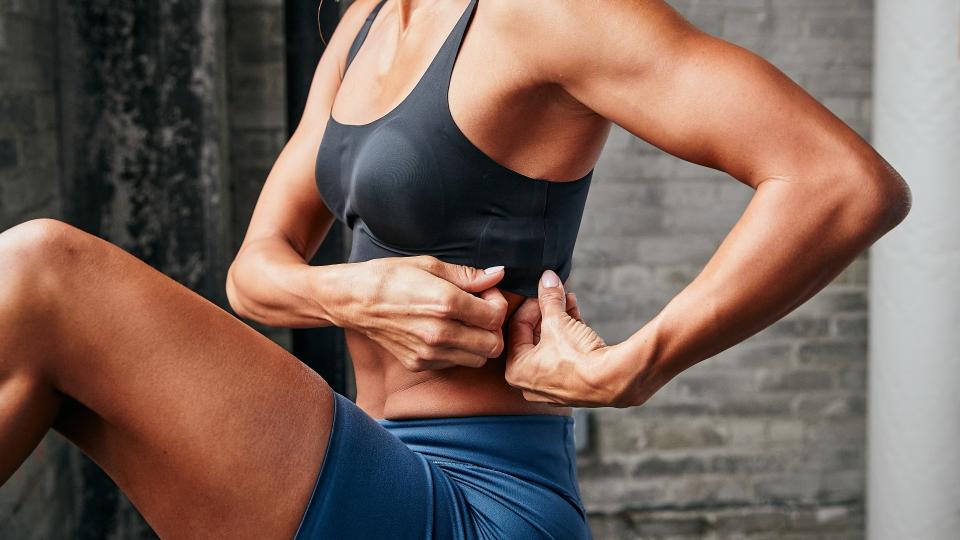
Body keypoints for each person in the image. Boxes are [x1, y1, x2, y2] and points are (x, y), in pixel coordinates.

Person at [0, 0, 911, 538]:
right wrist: (355, 292)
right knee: (51, 371)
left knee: (43, 276)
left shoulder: (551, 12)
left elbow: (840, 182)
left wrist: (635, 366)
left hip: (482, 499)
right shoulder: (362, 23)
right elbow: (253, 272)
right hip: (370, 459)